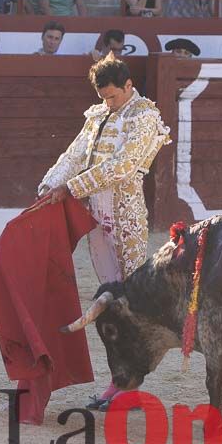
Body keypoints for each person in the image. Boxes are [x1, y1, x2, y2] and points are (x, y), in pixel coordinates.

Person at [37, 53, 170, 409]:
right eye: (103, 97)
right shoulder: (98, 114)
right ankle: (122, 383)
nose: (108, 103)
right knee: (109, 301)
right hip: (95, 212)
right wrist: (50, 185)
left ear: (129, 85)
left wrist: (71, 188)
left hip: (124, 212)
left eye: (113, 95)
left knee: (129, 300)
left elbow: (123, 166)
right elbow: (75, 154)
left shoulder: (145, 116)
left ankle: (129, 384)